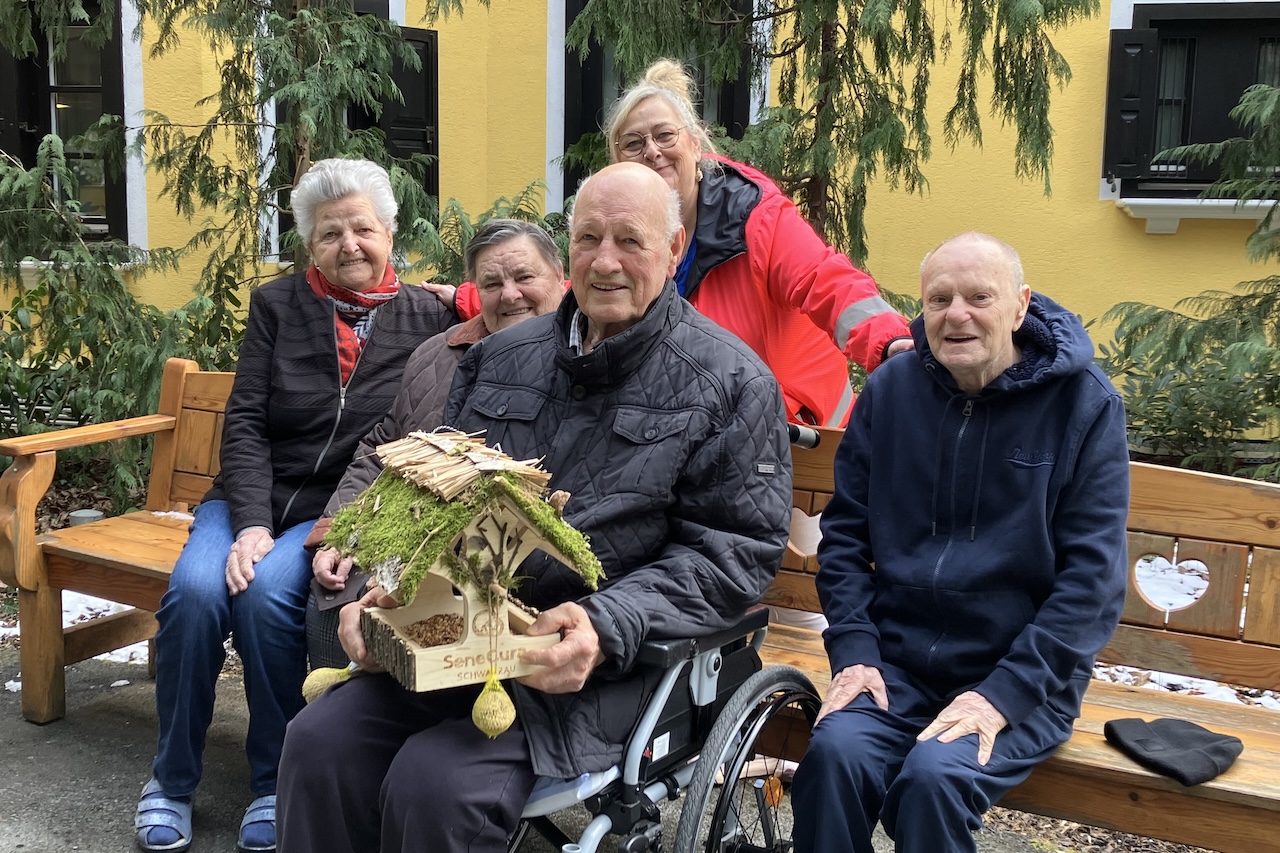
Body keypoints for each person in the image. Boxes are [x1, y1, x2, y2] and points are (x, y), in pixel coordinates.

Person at [274, 162, 793, 853]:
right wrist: (384, 589)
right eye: (588, 238)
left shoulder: (731, 383)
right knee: (318, 743)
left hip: (608, 666)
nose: (604, 261)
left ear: (674, 249)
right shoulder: (500, 357)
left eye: (629, 240)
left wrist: (607, 622)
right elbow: (436, 503)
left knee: (435, 785)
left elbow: (733, 553)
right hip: (463, 637)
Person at [133, 159, 456, 853]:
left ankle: (271, 781)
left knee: (265, 598)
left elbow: (524, 300)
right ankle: (171, 777)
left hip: (334, 507)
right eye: (329, 233)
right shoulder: (277, 304)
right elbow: (245, 419)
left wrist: (463, 292)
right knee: (195, 594)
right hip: (249, 497)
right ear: (310, 243)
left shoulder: (430, 314)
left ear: (390, 232)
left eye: (362, 229)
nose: (349, 245)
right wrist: (250, 522)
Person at [789, 232, 1131, 853]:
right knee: (836, 756)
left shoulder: (1085, 405)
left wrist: (1002, 696)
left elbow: (1093, 584)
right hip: (896, 663)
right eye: (939, 300)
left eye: (980, 297)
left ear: (1020, 306)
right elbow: (844, 537)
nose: (957, 315)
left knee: (933, 781)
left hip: (1020, 676)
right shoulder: (890, 393)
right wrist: (857, 651)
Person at [303, 218, 567, 668]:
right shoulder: (436, 355)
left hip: (513, 568)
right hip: (411, 541)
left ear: (560, 278)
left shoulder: (582, 363)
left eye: (525, 277)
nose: (510, 295)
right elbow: (384, 449)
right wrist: (342, 532)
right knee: (330, 599)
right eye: (492, 283)